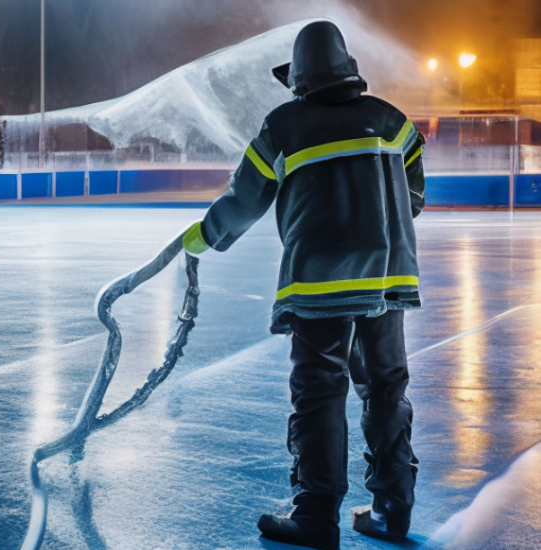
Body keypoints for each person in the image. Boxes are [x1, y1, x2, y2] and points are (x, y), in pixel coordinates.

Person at [181, 21, 426, 550]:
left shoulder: (284, 126)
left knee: (318, 393)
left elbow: (245, 200)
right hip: (388, 279)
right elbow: (414, 195)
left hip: (320, 286)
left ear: (299, 78)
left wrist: (204, 237)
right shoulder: (391, 121)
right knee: (386, 388)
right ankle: (392, 508)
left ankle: (316, 517)